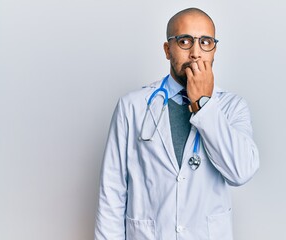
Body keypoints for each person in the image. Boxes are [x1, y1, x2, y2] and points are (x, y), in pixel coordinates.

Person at [95, 7, 259, 240]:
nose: (195, 53)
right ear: (167, 49)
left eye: (205, 42)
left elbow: (240, 172)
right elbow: (111, 192)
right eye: (184, 41)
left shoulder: (232, 107)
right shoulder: (132, 106)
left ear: (214, 50)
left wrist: (203, 103)